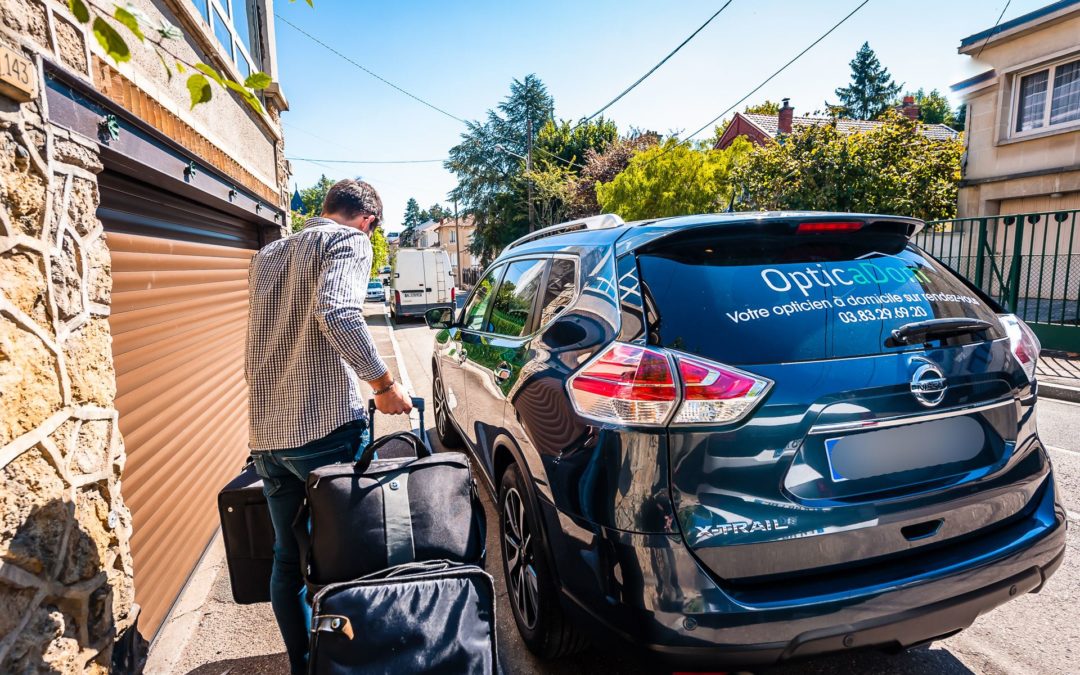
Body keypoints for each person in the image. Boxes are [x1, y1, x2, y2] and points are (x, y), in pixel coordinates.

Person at [245, 178, 412, 674]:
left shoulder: (268, 255)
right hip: (325, 429)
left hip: (268, 435)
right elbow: (336, 311)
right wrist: (382, 384)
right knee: (348, 551)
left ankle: (306, 666)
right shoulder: (348, 240)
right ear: (368, 220)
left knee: (286, 560)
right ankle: (355, 659)